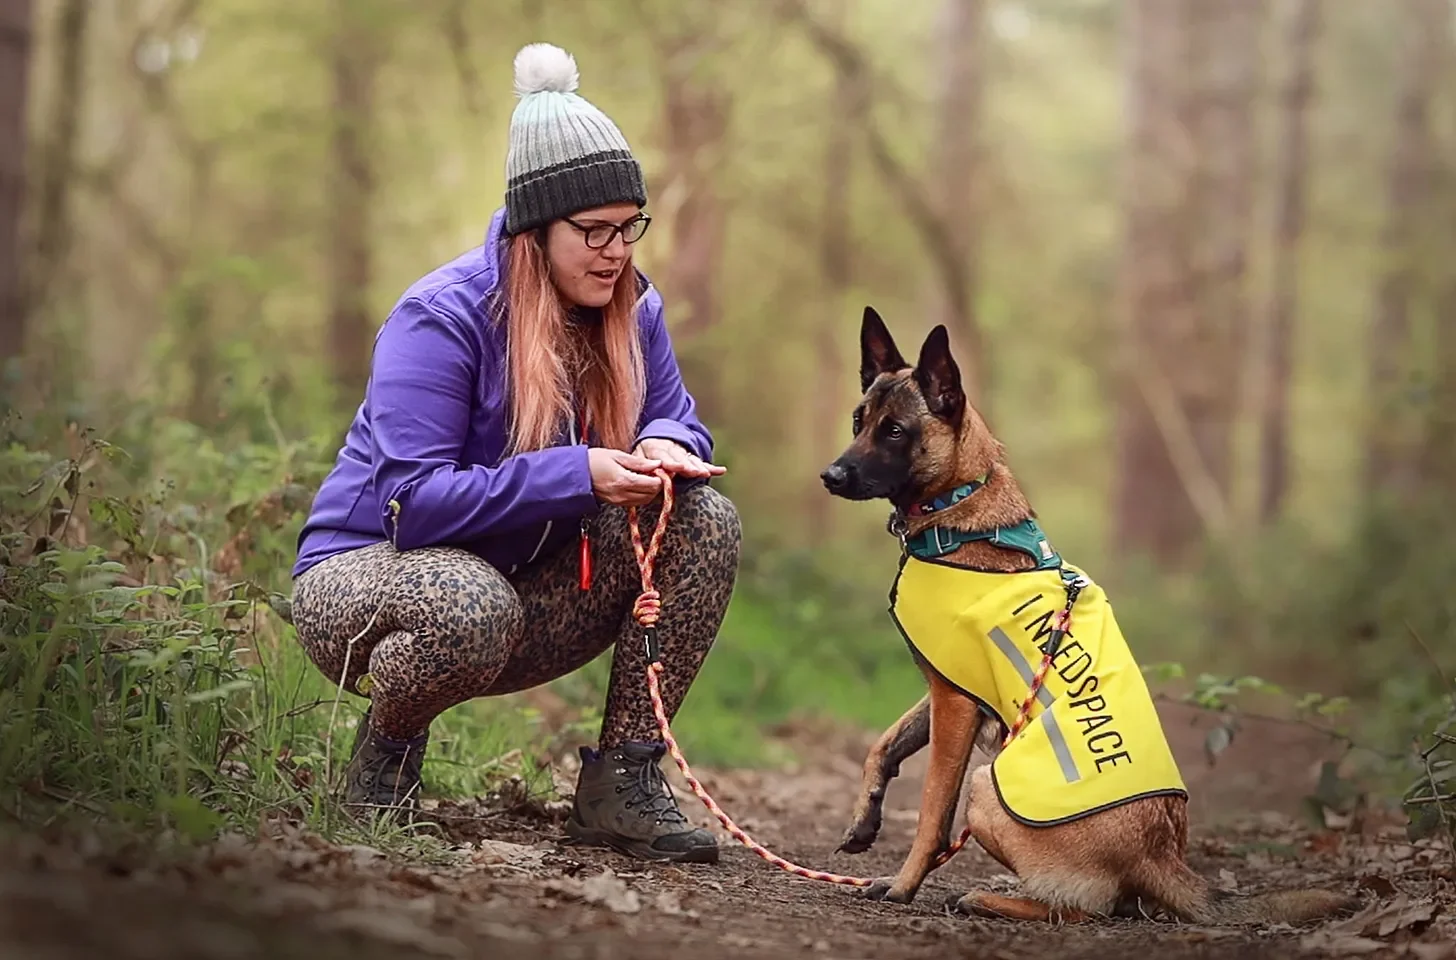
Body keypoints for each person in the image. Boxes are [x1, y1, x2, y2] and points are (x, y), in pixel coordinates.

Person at [289, 42, 740, 865]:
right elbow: (414, 502)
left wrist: (667, 448)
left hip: (517, 592)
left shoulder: (631, 311)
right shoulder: (442, 316)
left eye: (628, 228)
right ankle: (383, 761)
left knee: (706, 520)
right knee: (469, 600)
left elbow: (679, 415)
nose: (616, 251)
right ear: (537, 229)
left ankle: (622, 785)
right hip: (364, 585)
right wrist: (582, 474)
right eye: (593, 231)